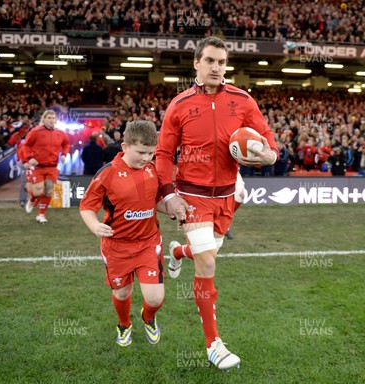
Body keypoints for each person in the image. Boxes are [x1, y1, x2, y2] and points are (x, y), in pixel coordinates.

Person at [155, 36, 278, 371]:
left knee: (206, 252)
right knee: (208, 264)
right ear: (196, 63)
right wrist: (168, 193)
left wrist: (269, 154)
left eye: (222, 62)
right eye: (210, 61)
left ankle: (178, 252)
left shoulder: (242, 100)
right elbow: (164, 153)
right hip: (192, 195)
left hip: (226, 194)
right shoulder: (179, 105)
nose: (216, 68)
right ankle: (214, 344)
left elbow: (267, 139)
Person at [80, 121, 167, 347]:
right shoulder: (107, 173)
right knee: (121, 292)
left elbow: (155, 201)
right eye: (141, 152)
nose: (146, 158)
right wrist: (94, 225)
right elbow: (87, 206)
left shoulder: (152, 169)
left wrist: (174, 209)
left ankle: (148, 317)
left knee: (155, 298)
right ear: (125, 147)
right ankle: (124, 324)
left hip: (148, 243)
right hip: (116, 246)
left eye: (151, 153)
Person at [22, 110, 69, 223]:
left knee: (49, 191)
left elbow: (66, 143)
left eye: (53, 118)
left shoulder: (60, 133)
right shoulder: (36, 131)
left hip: (52, 167)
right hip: (39, 167)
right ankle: (32, 199)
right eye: (49, 118)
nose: (52, 120)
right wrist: (29, 158)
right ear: (44, 119)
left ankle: (41, 215)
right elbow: (26, 145)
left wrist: (64, 154)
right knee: (38, 192)